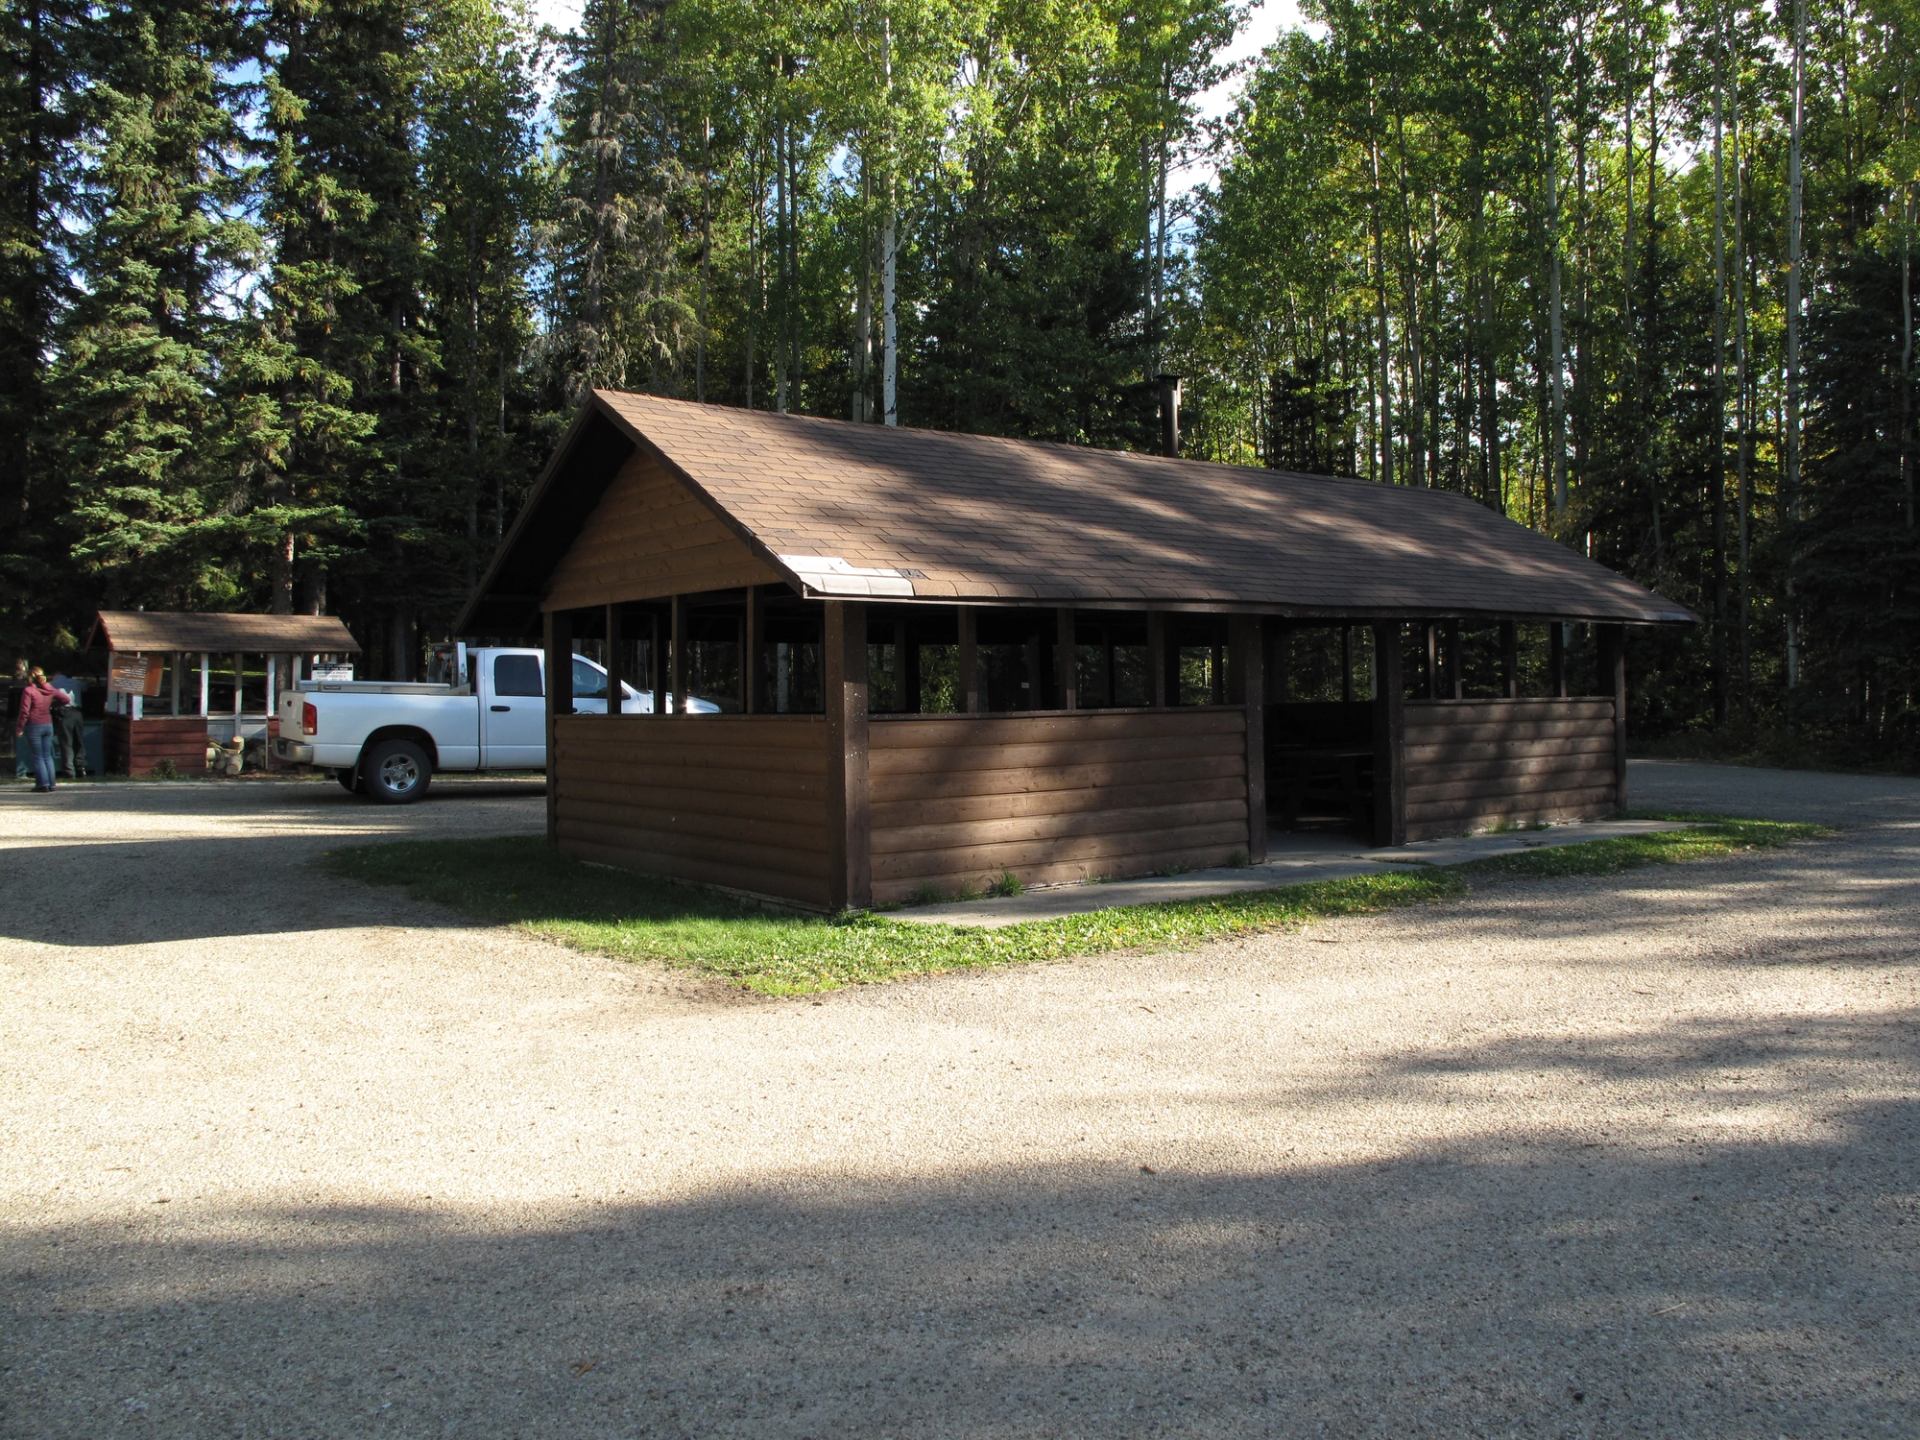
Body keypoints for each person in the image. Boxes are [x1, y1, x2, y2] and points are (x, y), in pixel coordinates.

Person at [13, 666, 70, 793]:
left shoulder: (28, 691)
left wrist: (20, 727)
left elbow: (24, 711)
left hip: (34, 725)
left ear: (30, 677)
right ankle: (52, 784)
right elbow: (66, 699)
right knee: (47, 756)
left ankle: (42, 784)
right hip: (48, 724)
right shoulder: (50, 689)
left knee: (38, 756)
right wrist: (53, 705)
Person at [49, 670, 87, 778]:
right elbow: (86, 687)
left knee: (66, 742)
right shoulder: (75, 682)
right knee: (79, 741)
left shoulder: (53, 684)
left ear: (55, 676)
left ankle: (69, 771)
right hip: (77, 712)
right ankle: (81, 767)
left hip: (64, 713)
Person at [9, 659, 26, 781]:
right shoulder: (27, 689)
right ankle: (22, 770)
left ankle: (19, 769)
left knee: (16, 744)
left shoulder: (13, 686)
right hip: (22, 717)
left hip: (14, 716)